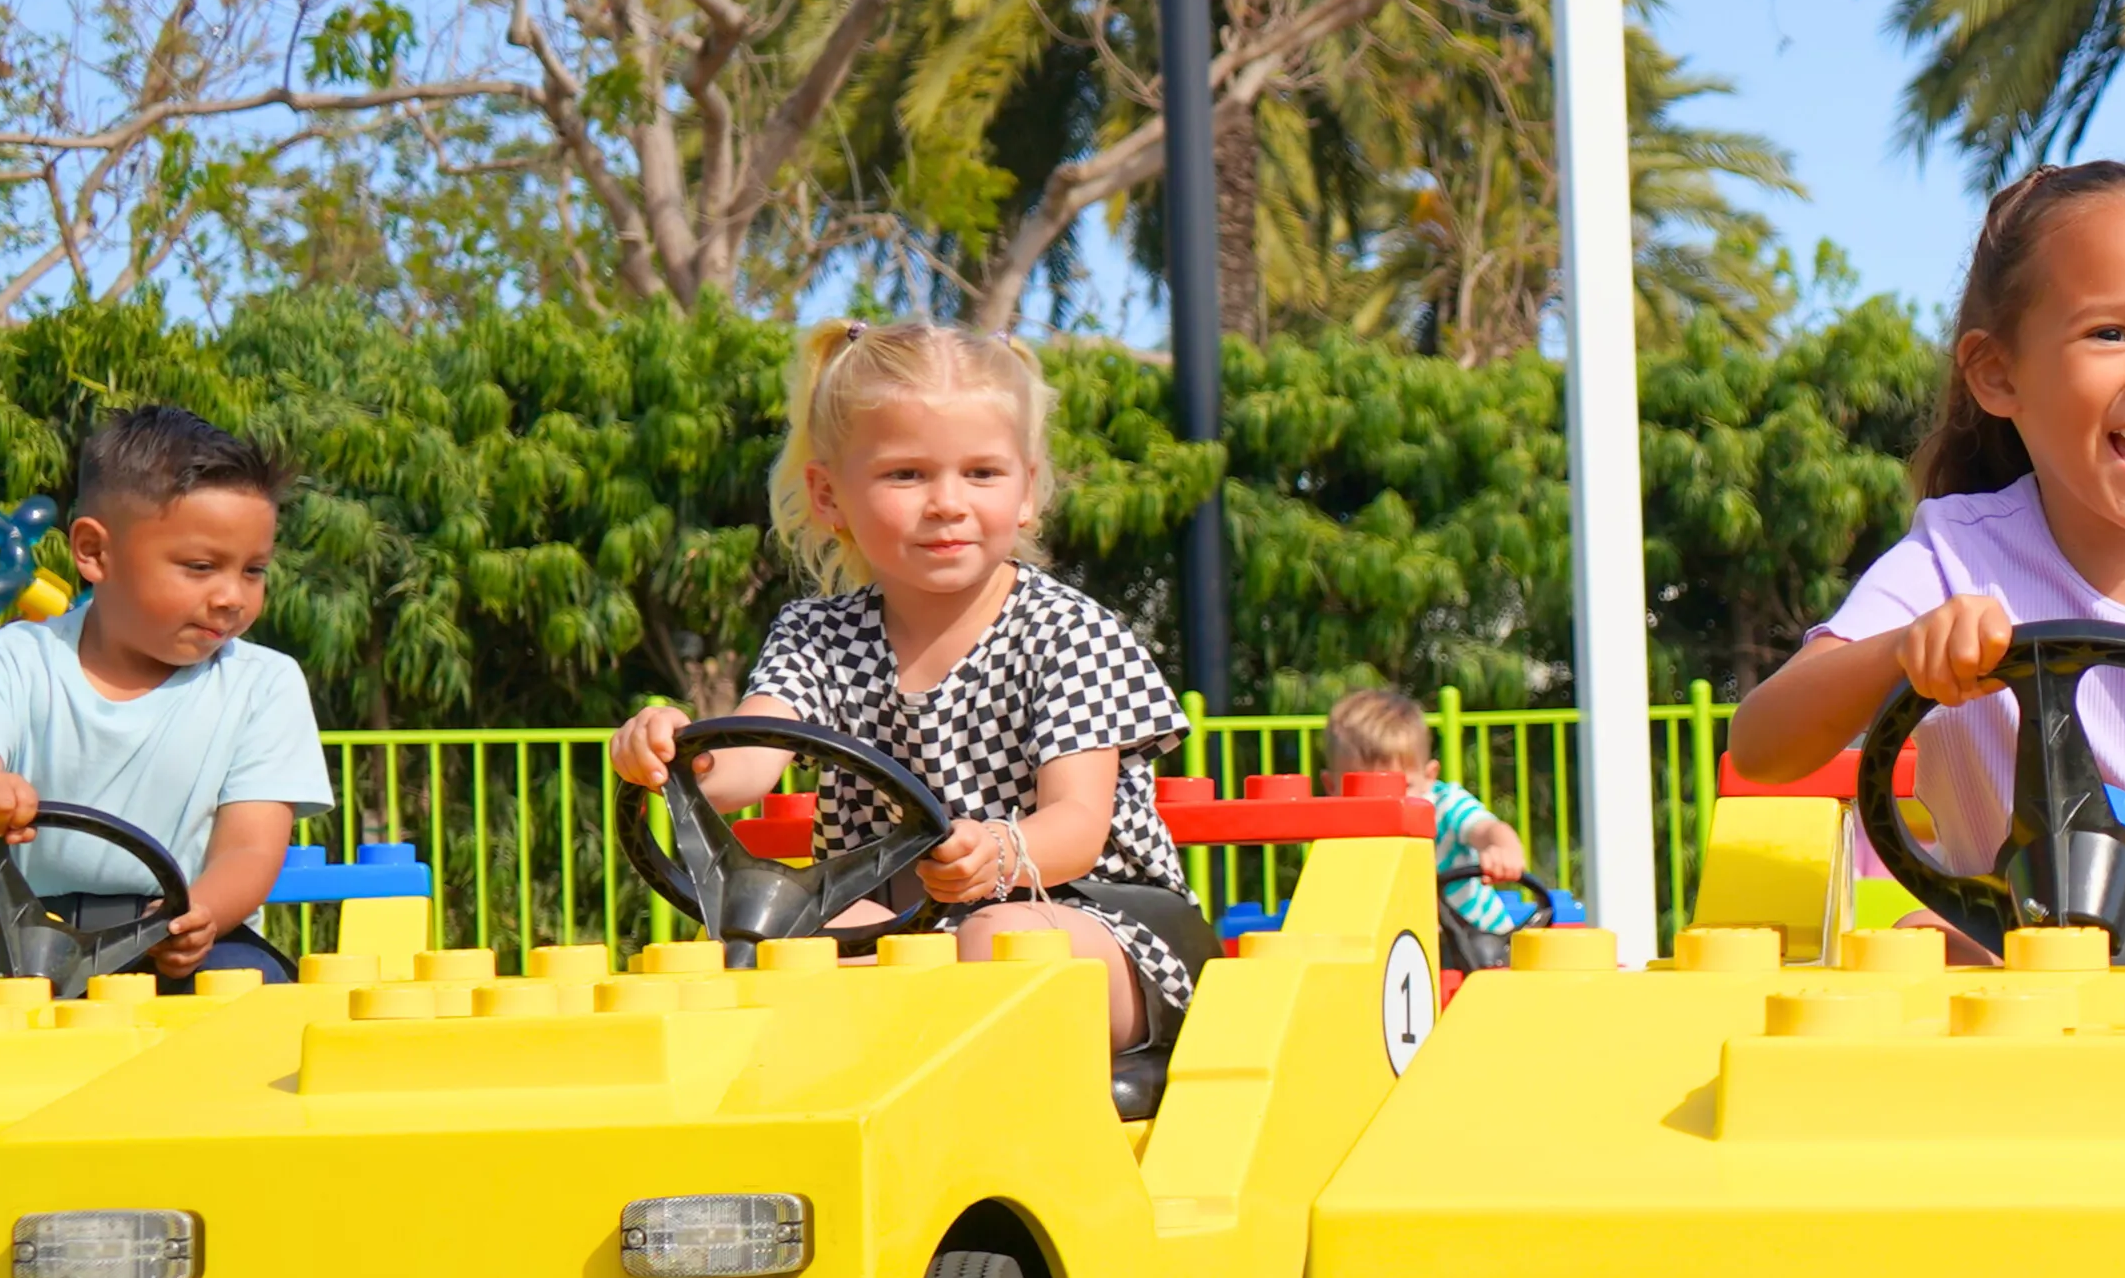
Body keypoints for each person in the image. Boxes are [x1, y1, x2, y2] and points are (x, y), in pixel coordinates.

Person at [1725, 160, 2125, 962]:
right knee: (1919, 953)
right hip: (2008, 932)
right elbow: (1762, 745)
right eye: (2114, 333)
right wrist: (1906, 651)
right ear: (1998, 373)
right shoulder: (1955, 552)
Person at [612, 321, 1207, 1050]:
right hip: (908, 924)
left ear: (1027, 490)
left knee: (998, 939)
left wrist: (998, 850)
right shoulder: (817, 635)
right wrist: (670, 748)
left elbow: (1077, 827)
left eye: (981, 473)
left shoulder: (1067, 633)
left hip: (1095, 921)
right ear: (829, 496)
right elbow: (740, 768)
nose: (947, 502)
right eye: (907, 474)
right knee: (775, 945)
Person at [0, 406, 329, 989]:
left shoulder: (264, 684)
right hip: (13, 939)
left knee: (254, 997)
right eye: (201, 567)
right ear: (95, 553)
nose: (232, 597)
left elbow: (249, 847)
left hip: (173, 932)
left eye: (254, 570)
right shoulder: (13, 659)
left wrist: (200, 915)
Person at [1323, 686, 1542, 953]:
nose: (1387, 805)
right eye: (1362, 789)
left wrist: (1503, 851)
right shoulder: (1338, 833)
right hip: (1402, 954)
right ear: (1331, 787)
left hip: (1484, 948)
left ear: (1430, 776)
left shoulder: (1444, 805)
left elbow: (1488, 829)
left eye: (1402, 788)